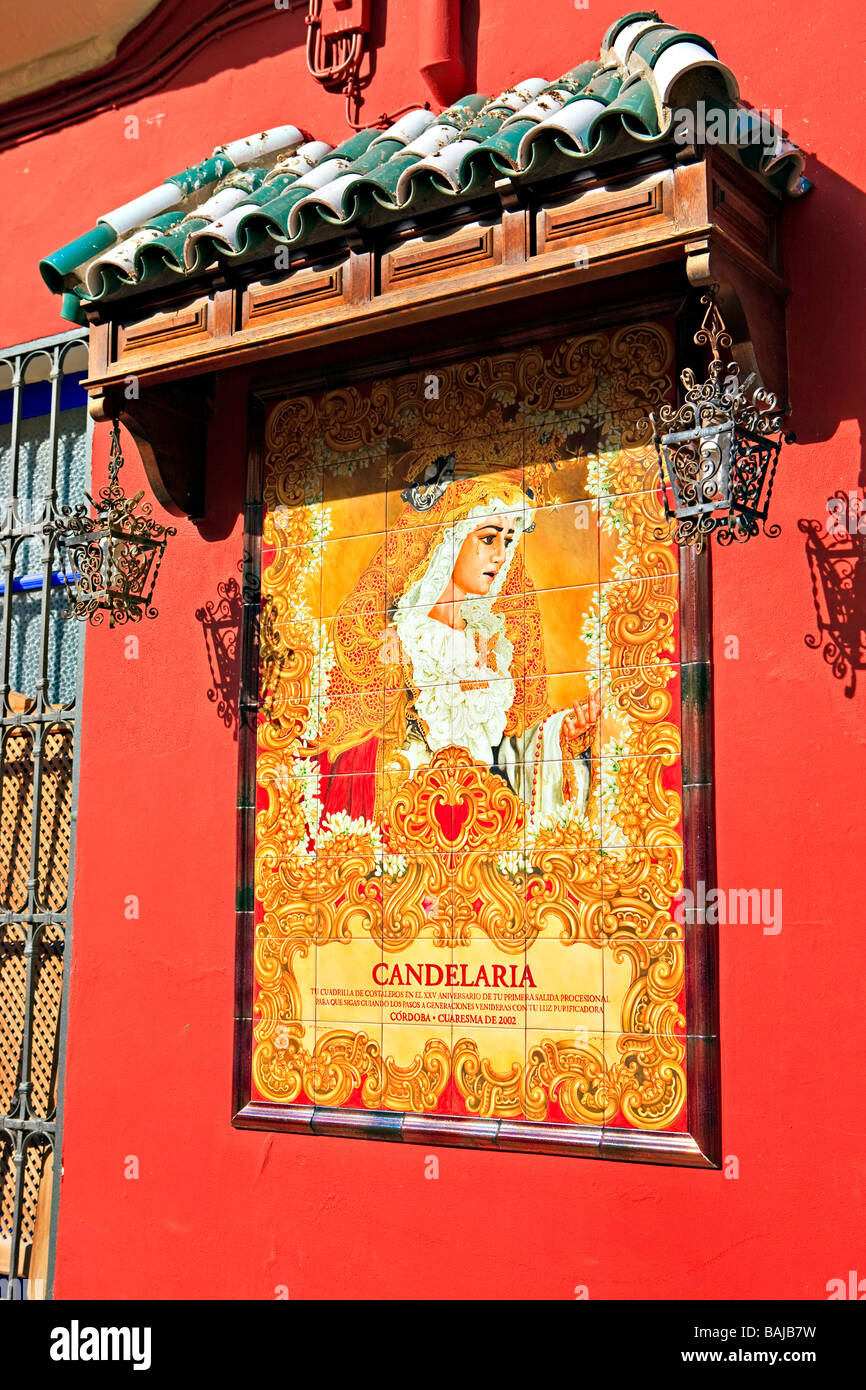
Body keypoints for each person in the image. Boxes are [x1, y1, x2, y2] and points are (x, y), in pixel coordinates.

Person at [306, 455, 600, 830]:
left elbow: (507, 753)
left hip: (483, 823)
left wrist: (561, 734)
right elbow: (358, 754)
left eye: (508, 541)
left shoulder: (494, 646)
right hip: (407, 820)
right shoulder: (400, 640)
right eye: (489, 538)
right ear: (450, 539)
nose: (500, 555)